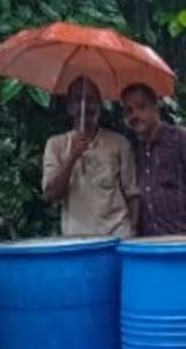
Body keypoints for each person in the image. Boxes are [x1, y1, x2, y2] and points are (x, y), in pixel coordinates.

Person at [42, 76, 139, 237]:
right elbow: (50, 195)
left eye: (91, 99)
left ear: (99, 105)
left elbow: (132, 193)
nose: (85, 105)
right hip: (76, 240)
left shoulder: (119, 143)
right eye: (78, 99)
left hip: (117, 236)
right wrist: (72, 157)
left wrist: (134, 231)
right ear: (69, 107)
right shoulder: (56, 145)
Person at [120, 82, 186, 235]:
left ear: (155, 108)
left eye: (141, 107)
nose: (135, 115)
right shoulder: (134, 150)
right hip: (148, 241)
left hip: (183, 237)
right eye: (128, 111)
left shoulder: (184, 141)